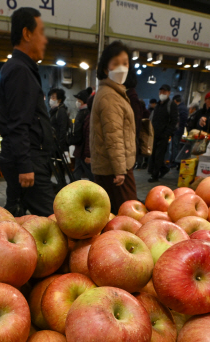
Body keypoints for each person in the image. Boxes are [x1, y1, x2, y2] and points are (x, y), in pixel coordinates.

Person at [0, 7, 55, 217]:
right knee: (52, 220)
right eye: (41, 32)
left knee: (17, 212)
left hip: (26, 156)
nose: (45, 40)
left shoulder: (20, 68)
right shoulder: (20, 70)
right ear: (27, 33)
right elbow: (18, 123)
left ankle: (2, 245)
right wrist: (25, 164)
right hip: (28, 158)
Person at [90, 41, 137, 214]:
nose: (122, 68)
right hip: (115, 170)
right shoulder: (110, 96)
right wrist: (120, 170)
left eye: (125, 63)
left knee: (112, 215)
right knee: (128, 215)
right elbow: (113, 135)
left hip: (114, 167)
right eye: (116, 63)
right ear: (105, 68)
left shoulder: (114, 93)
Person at [148, 84, 178, 183]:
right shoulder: (158, 105)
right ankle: (163, 169)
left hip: (163, 136)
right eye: (160, 92)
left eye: (164, 92)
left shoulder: (171, 105)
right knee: (154, 155)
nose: (162, 94)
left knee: (159, 156)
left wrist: (167, 133)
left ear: (169, 93)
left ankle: (155, 175)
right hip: (155, 134)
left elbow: (174, 121)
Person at [123, 70, 148, 170]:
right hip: (127, 147)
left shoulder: (132, 99)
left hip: (127, 147)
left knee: (126, 179)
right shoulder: (129, 98)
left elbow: (135, 127)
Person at [68, 87, 93, 180]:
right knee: (78, 170)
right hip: (80, 148)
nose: (77, 102)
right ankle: (73, 189)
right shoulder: (82, 112)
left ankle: (99, 189)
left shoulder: (85, 113)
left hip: (82, 148)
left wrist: (87, 153)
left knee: (89, 172)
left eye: (79, 100)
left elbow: (87, 134)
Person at [48, 88, 69, 155]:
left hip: (58, 147)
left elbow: (63, 130)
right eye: (51, 97)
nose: (51, 99)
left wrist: (60, 147)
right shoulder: (54, 111)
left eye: (53, 97)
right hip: (53, 145)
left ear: (59, 100)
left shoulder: (61, 111)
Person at [171, 94, 189, 167]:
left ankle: (175, 162)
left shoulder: (179, 108)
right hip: (182, 131)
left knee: (175, 147)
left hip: (178, 131)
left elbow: (181, 120)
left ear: (175, 101)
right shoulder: (184, 107)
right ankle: (177, 162)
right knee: (179, 147)